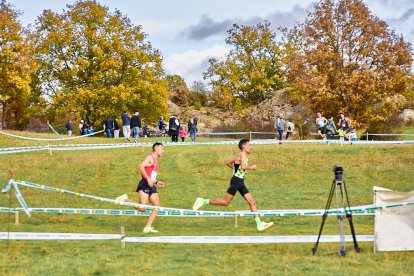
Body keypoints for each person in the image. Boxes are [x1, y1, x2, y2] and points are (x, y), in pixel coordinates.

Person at [192, 139, 273, 232]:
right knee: (225, 202)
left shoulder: (240, 155)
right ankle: (202, 201)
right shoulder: (242, 154)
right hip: (236, 181)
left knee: (252, 202)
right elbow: (243, 167)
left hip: (240, 181)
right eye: (249, 145)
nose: (250, 147)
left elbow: (228, 162)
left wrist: (235, 170)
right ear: (244, 147)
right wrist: (252, 167)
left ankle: (259, 224)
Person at [115, 142, 166, 233]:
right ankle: (125, 199)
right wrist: (148, 179)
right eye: (162, 149)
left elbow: (151, 176)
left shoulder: (156, 161)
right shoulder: (149, 157)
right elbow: (140, 167)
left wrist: (157, 182)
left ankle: (147, 227)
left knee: (157, 206)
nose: (163, 151)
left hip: (151, 185)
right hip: (145, 184)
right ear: (156, 149)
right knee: (142, 208)